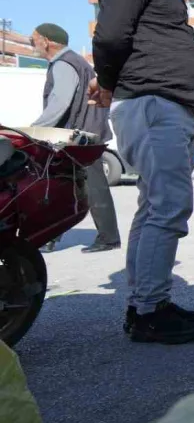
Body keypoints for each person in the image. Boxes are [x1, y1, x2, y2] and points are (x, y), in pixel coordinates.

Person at [91, 0, 194, 344]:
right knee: (167, 208)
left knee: (154, 206)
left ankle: (145, 302)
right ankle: (149, 310)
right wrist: (106, 81)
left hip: (161, 104)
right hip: (153, 103)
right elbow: (110, 35)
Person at [30, 23, 120, 254]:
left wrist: (34, 130)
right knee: (63, 186)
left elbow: (60, 102)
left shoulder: (63, 64)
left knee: (90, 186)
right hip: (83, 135)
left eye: (34, 40)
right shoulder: (75, 62)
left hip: (79, 138)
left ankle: (108, 238)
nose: (33, 45)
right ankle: (50, 237)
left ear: (46, 41)